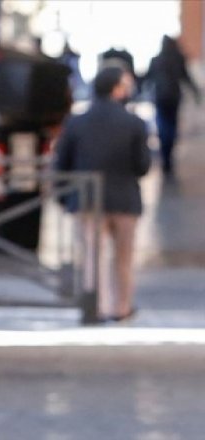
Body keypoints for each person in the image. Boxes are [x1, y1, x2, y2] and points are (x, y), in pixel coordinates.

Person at [53, 66, 151, 323]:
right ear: (117, 89)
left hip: (87, 200)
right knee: (124, 259)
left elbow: (61, 163)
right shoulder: (134, 123)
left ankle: (96, 307)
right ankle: (121, 308)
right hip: (124, 200)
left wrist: (64, 198)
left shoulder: (76, 122)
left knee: (91, 257)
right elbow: (143, 166)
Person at [143, 35, 201, 175]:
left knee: (163, 126)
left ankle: (165, 155)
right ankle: (168, 156)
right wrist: (196, 93)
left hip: (161, 97)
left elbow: (147, 78)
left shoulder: (157, 60)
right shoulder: (178, 59)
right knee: (171, 126)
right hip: (173, 97)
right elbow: (186, 77)